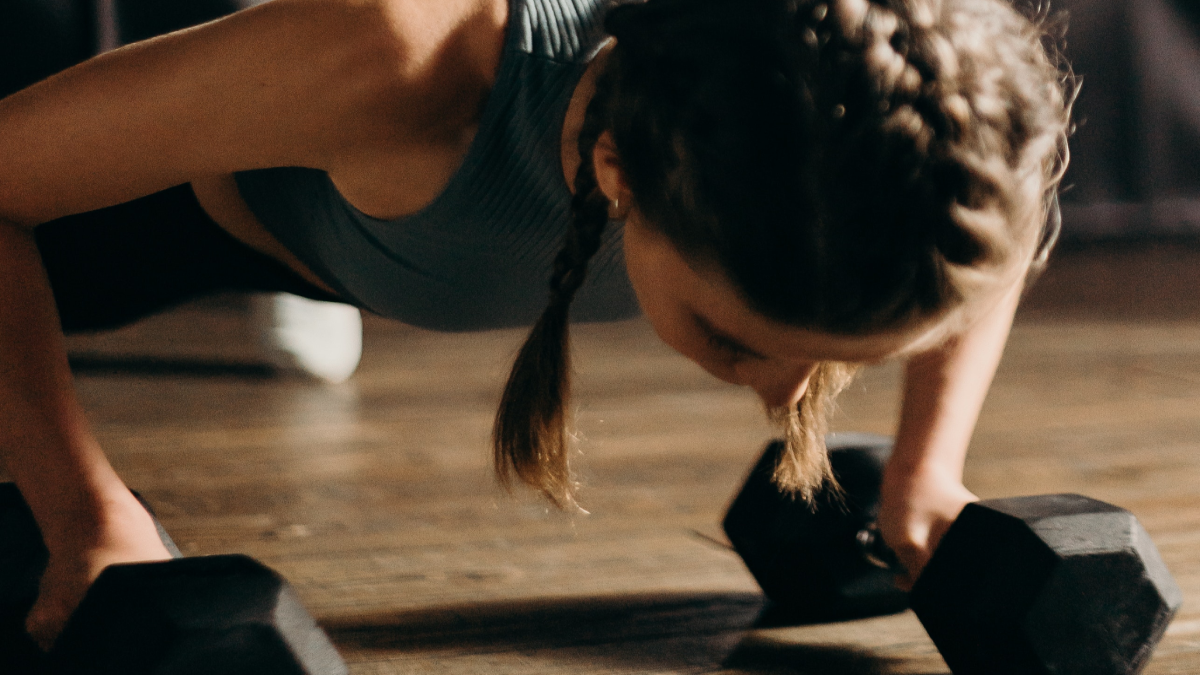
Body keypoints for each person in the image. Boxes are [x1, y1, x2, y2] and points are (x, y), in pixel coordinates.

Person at [0, 0, 1070, 649]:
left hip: (362, 210)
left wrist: (927, 474)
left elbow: (992, 226)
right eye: (741, 341)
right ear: (616, 173)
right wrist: (85, 513)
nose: (789, 397)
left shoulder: (913, 84)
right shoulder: (405, 60)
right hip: (137, 197)